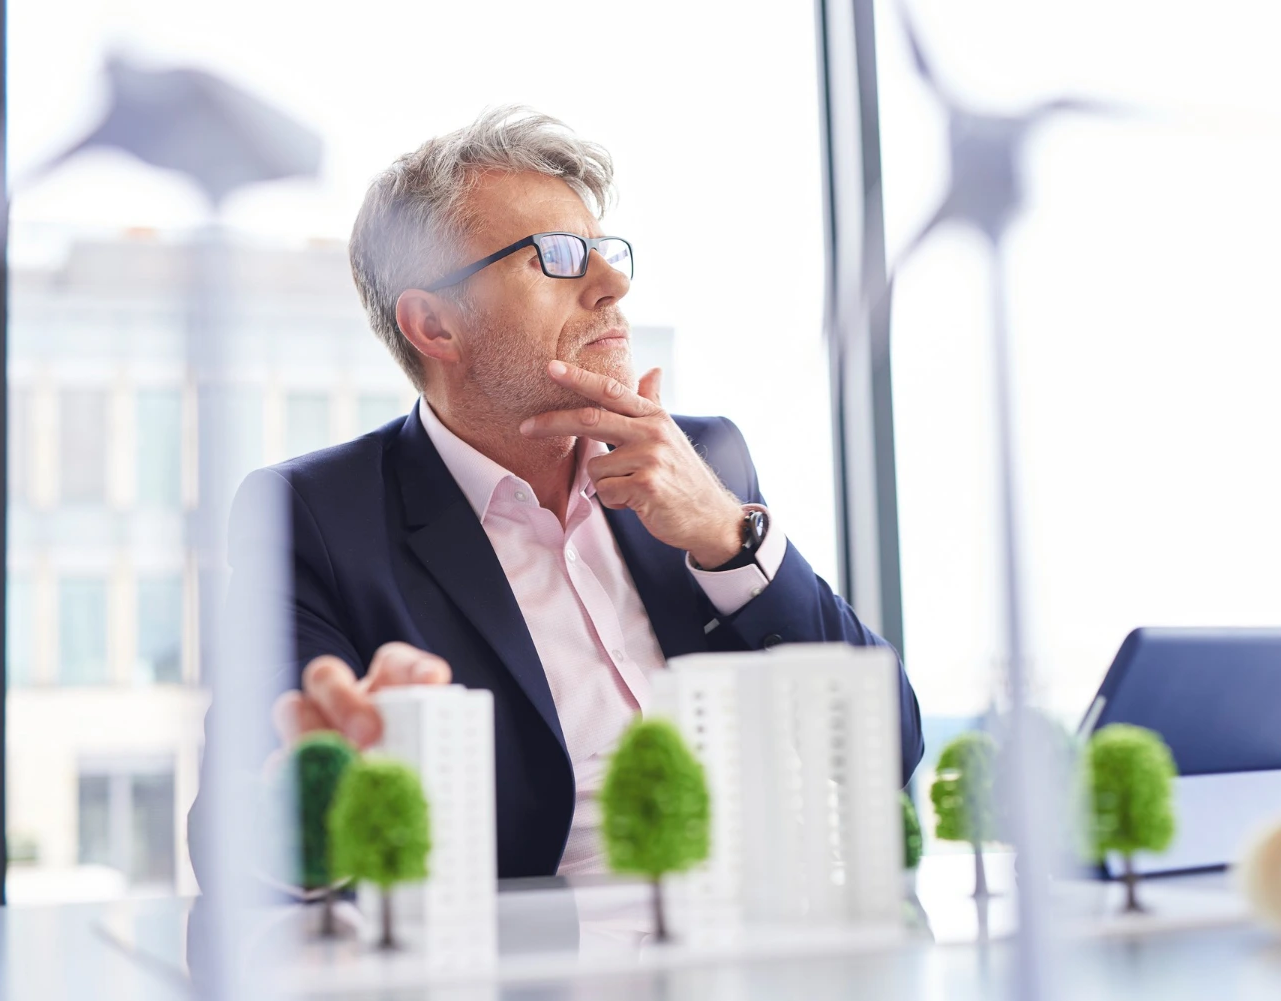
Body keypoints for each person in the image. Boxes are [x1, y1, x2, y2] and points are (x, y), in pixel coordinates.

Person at [213, 106, 923, 879]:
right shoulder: (314, 517)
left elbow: (887, 746)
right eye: (556, 256)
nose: (612, 284)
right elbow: (233, 846)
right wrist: (322, 787)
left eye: (604, 251)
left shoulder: (702, 459)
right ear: (435, 325)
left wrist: (731, 539)